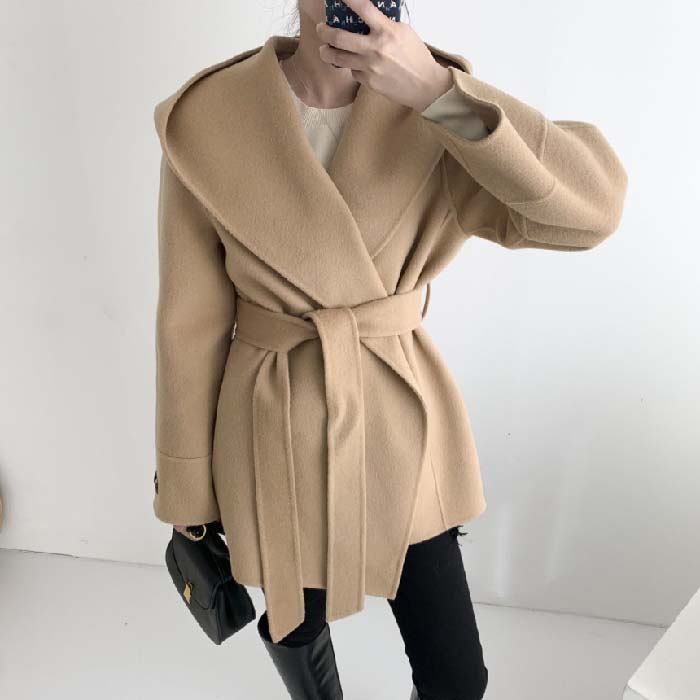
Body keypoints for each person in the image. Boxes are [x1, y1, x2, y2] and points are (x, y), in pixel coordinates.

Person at [152, 0, 628, 698]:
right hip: (271, 422)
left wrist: (437, 93)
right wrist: (188, 491)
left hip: (396, 415)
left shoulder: (438, 106)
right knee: (297, 625)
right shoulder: (211, 115)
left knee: (456, 677)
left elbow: (590, 213)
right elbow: (189, 323)